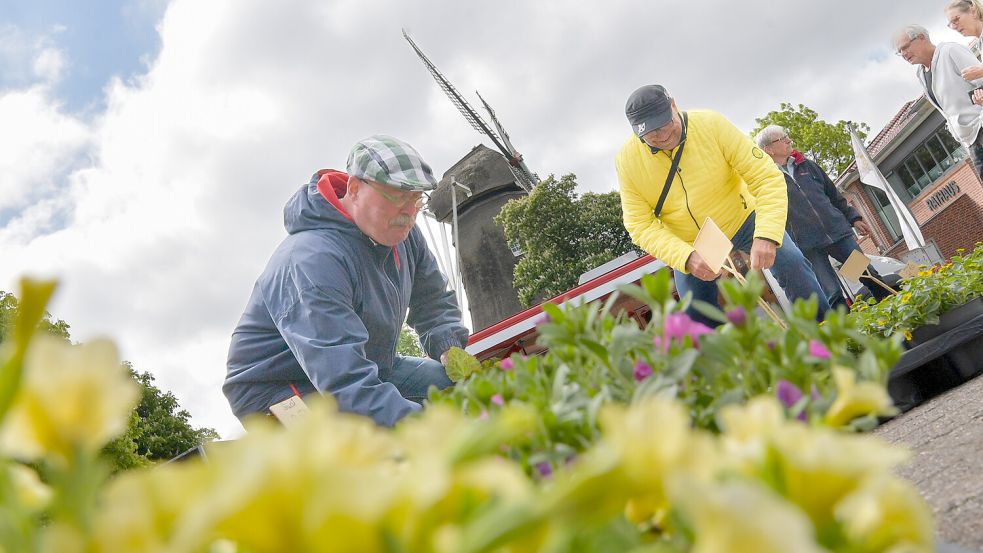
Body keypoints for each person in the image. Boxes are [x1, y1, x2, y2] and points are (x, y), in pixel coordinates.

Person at [224, 135, 469, 427]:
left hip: (368, 364)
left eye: (417, 197)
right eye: (398, 195)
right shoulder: (312, 261)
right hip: (278, 389)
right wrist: (431, 432)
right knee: (362, 452)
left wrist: (448, 346)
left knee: (455, 390)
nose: (410, 210)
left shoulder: (403, 234)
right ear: (354, 189)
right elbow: (344, 383)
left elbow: (432, 300)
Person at [615, 84, 830, 327]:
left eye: (665, 124)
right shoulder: (627, 160)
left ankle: (827, 335)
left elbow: (766, 177)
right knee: (695, 310)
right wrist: (685, 257)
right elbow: (639, 225)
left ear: (674, 105)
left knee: (792, 263)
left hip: (743, 217)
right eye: (651, 133)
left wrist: (767, 235)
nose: (662, 136)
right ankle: (729, 362)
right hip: (693, 242)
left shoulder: (711, 124)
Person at [755, 125, 893, 309]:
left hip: (837, 236)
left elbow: (833, 194)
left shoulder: (806, 165)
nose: (789, 140)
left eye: (787, 136)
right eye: (782, 139)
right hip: (809, 247)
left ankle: (894, 313)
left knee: (867, 275)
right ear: (768, 149)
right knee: (833, 294)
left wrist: (854, 218)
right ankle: (849, 335)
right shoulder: (766, 179)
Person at [894, 25, 983, 178]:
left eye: (905, 47)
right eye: (899, 51)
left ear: (921, 37)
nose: (903, 54)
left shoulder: (950, 51)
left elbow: (980, 79)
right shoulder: (921, 74)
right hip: (970, 140)